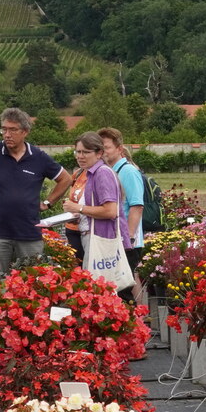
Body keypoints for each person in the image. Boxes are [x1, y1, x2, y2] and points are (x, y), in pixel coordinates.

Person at [0, 107, 75, 280]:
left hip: (29, 232)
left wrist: (48, 203)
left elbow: (66, 179)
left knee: (32, 284)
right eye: (4, 129)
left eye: (13, 130)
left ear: (25, 132)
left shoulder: (38, 156)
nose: (7, 134)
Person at [62, 133, 134, 299]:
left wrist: (78, 208)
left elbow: (110, 211)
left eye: (85, 152)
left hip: (101, 239)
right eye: (77, 152)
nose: (80, 156)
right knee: (101, 292)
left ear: (99, 153)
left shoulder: (102, 173)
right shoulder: (91, 173)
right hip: (94, 237)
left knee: (101, 293)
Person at [98, 128, 147, 283]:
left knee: (125, 284)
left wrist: (129, 238)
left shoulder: (128, 171)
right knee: (124, 283)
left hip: (126, 240)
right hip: (115, 238)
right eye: (99, 148)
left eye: (106, 148)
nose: (102, 152)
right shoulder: (109, 171)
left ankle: (136, 308)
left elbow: (137, 206)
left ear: (119, 149)